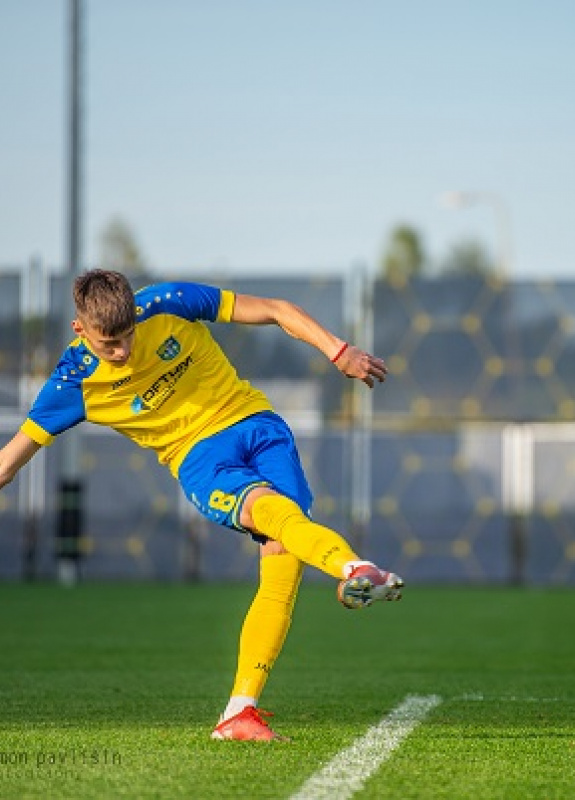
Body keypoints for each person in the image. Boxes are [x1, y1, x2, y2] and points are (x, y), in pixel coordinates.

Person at [0, 269, 404, 742]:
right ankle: (354, 568)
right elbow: (8, 463)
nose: (124, 351)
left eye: (128, 335)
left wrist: (338, 350)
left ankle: (240, 713)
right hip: (200, 460)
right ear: (80, 330)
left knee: (283, 556)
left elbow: (276, 310)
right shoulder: (73, 382)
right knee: (273, 512)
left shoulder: (167, 302)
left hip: (258, 425)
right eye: (110, 344)